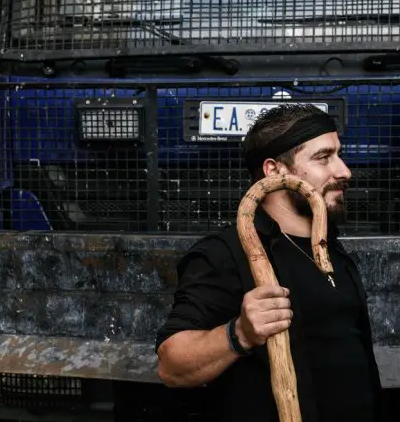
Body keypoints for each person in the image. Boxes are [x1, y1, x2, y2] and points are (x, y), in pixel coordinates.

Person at [154, 103, 384, 422]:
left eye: (339, 155)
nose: (344, 171)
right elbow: (170, 365)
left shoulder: (332, 250)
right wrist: (239, 333)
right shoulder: (225, 254)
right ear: (274, 172)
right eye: (323, 157)